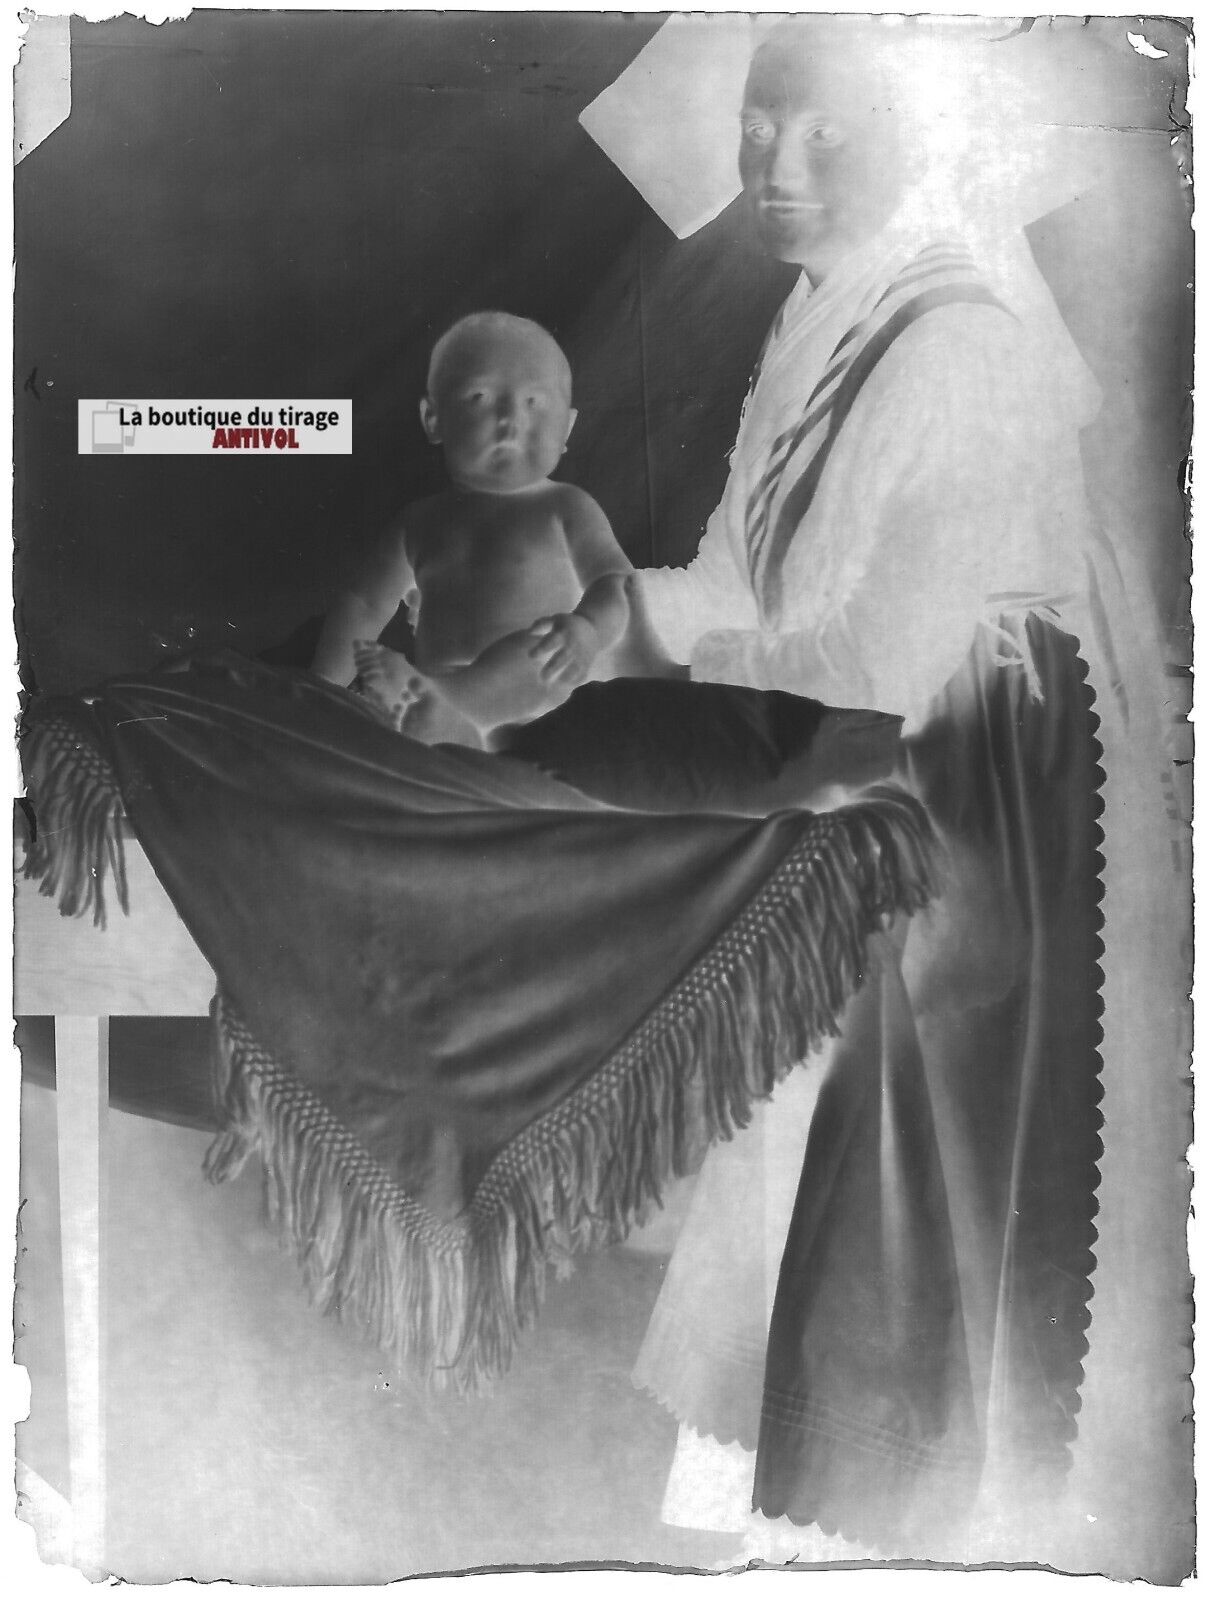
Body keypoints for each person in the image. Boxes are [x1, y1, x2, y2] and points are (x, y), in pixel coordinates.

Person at [619, 16, 1161, 1560]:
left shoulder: (966, 348)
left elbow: (866, 657)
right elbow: (739, 569)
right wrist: (586, 609)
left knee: (907, 1168)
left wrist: (636, 695)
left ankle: (895, 1532)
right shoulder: (812, 317)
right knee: (790, 1141)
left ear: (912, 133)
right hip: (855, 751)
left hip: (961, 793)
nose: (779, 165)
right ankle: (800, 1512)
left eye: (826, 130)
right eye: (760, 126)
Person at [312, 311, 633, 748]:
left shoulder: (566, 507)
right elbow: (364, 603)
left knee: (537, 648)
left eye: (534, 402)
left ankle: (441, 706)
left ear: (568, 428)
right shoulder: (417, 522)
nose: (509, 418)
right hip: (435, 688)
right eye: (480, 396)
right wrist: (322, 687)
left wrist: (587, 630)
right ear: (433, 419)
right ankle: (436, 712)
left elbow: (618, 583)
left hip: (540, 697)